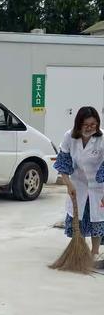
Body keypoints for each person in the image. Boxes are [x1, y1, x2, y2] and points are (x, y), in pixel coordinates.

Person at [54, 106, 104, 260]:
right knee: (78, 217)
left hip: (99, 185)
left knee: (97, 218)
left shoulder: (102, 138)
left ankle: (95, 252)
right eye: (86, 125)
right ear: (78, 124)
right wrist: (68, 184)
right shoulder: (69, 136)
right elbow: (63, 162)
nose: (90, 128)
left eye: (93, 124)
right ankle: (80, 249)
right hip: (78, 184)